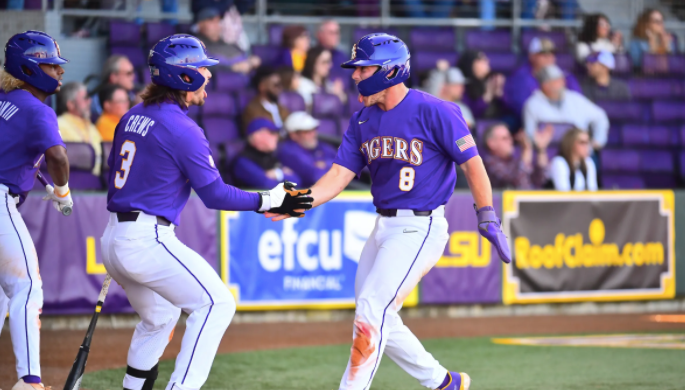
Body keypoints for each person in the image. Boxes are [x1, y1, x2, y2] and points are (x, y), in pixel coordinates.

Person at [265, 33, 511, 390]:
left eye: (362, 69)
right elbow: (337, 176)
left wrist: (486, 212)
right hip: (383, 227)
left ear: (390, 71)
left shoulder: (436, 110)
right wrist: (299, 201)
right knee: (378, 314)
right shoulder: (362, 120)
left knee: (371, 309)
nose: (354, 76)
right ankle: (445, 382)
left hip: (420, 227)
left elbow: (473, 164)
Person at [101, 34, 311, 390]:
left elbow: (116, 173)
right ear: (183, 77)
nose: (209, 76)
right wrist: (270, 200)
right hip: (146, 238)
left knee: (161, 317)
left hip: (115, 236)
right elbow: (214, 195)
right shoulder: (183, 128)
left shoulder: (132, 115)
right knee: (217, 303)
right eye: (201, 68)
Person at [0, 30, 73, 390]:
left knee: (2, 293)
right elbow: (58, 156)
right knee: (28, 286)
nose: (58, 72)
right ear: (29, 68)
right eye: (50, 65)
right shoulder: (36, 109)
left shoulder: (4, 100)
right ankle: (29, 382)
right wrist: (63, 190)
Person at [523, 65, 609, 152]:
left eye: (562, 79)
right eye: (557, 80)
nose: (562, 82)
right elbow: (529, 135)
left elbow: (600, 116)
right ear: (545, 85)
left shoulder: (575, 98)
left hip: (580, 155)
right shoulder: (532, 104)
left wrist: (597, 142)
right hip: (549, 156)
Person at [503, 37, 581, 117]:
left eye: (552, 53)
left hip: (561, 118)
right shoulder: (520, 77)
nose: (549, 58)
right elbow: (520, 106)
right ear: (532, 56)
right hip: (526, 119)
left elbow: (578, 101)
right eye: (544, 54)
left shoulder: (565, 75)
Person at [232, 118, 300, 189]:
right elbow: (269, 186)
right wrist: (283, 174)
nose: (277, 136)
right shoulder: (243, 162)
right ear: (257, 136)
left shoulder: (269, 157)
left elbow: (297, 181)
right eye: (272, 132)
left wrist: (277, 174)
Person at [482, 123, 551, 189]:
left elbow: (540, 180)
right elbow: (517, 183)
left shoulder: (514, 161)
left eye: (510, 137)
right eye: (505, 138)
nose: (510, 141)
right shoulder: (489, 164)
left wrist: (541, 149)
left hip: (528, 200)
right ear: (491, 143)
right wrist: (527, 149)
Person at [278, 111, 337, 187]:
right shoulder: (288, 151)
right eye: (307, 132)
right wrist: (334, 167)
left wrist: (326, 164)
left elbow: (346, 165)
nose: (313, 134)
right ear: (294, 135)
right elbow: (315, 176)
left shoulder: (319, 146)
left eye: (314, 129)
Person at [195, 6, 260, 75]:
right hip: (221, 82)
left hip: (246, 81)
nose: (216, 24)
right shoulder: (196, 45)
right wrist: (232, 68)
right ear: (200, 25)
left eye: (218, 20)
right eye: (211, 21)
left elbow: (246, 58)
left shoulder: (229, 43)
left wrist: (251, 61)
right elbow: (202, 66)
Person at [57, 82, 103, 176]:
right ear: (71, 104)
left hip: (97, 183)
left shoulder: (91, 126)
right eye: (85, 98)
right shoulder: (59, 125)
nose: (90, 101)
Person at [457, 51, 505, 119]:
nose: (487, 61)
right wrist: (487, 96)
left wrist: (499, 93)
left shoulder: (492, 79)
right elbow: (468, 113)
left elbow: (508, 111)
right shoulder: (463, 84)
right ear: (471, 63)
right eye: (482, 59)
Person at [243, 66, 290, 131]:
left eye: (281, 84)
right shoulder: (253, 110)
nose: (280, 88)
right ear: (262, 86)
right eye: (276, 85)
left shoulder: (281, 107)